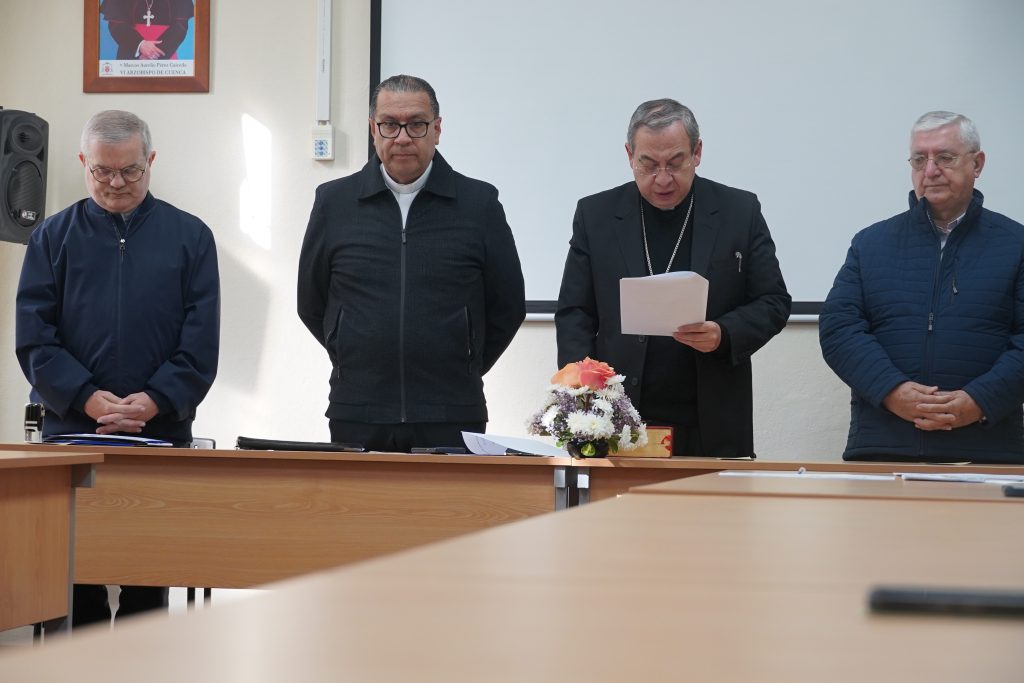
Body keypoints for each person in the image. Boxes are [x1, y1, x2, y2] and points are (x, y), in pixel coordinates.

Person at [16, 110, 220, 626]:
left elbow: (200, 344)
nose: (115, 183)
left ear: (150, 162)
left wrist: (153, 401)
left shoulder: (191, 237)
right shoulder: (51, 238)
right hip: (74, 435)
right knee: (74, 587)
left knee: (147, 588)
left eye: (130, 171)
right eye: (102, 171)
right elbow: (34, 340)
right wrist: (86, 397)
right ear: (84, 162)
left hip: (159, 435)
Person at [297, 74, 525, 452]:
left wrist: (465, 360)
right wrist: (351, 351)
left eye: (416, 124)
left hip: (451, 412)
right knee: (359, 513)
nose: (402, 137)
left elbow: (508, 304)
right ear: (373, 129)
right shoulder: (334, 203)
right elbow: (312, 302)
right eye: (389, 124)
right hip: (358, 411)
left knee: (448, 513)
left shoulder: (479, 205)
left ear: (437, 129)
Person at [555, 99, 791, 458]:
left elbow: (773, 301)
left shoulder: (739, 211)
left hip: (711, 415)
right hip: (618, 414)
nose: (662, 179)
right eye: (648, 165)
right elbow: (575, 312)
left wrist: (724, 334)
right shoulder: (596, 215)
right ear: (629, 155)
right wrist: (581, 398)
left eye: (675, 163)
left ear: (697, 152)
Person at [820, 111, 1024, 464]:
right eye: (919, 159)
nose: (930, 170)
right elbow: (839, 329)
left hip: (989, 453)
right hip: (884, 448)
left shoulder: (1016, 245)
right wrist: (891, 391)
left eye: (944, 157)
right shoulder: (871, 243)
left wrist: (979, 401)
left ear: (977, 163)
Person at [100, 0, 195, 60]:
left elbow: (180, 26)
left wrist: (155, 54)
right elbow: (116, 24)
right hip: (130, 55)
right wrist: (139, 45)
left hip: (165, 55)